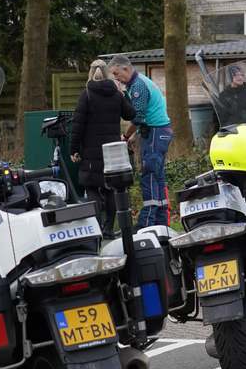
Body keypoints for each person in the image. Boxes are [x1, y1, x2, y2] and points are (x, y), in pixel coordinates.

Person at [69, 59, 135, 238]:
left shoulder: (86, 95)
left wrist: (73, 149)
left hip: (91, 153)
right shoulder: (116, 94)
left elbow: (77, 125)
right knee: (110, 189)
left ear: (90, 73)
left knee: (92, 189)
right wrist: (123, 94)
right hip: (112, 152)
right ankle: (108, 229)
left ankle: (96, 228)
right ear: (108, 74)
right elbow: (131, 114)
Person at [108, 54, 173, 229]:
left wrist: (126, 136)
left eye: (116, 73)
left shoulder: (138, 86)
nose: (116, 78)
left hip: (154, 132)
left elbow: (138, 117)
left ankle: (147, 223)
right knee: (158, 177)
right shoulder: (138, 82)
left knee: (149, 174)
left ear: (126, 68)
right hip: (160, 131)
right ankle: (161, 223)